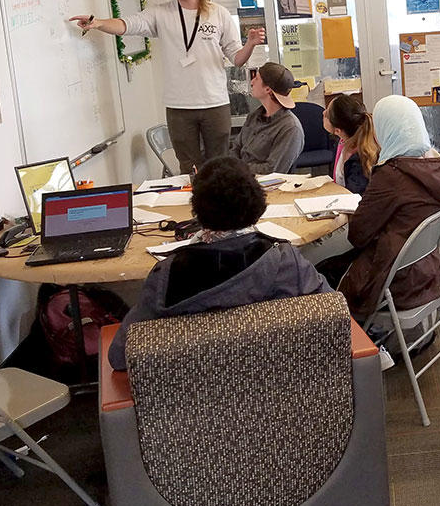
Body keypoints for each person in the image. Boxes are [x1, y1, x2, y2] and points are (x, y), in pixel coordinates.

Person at [108, 158, 331, 370]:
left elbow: (119, 356)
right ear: (257, 201)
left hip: (194, 400)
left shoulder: (166, 276)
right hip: (278, 388)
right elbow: (335, 315)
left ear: (196, 208)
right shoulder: (284, 262)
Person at [71, 0, 265, 174]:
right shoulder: (161, 13)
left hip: (214, 102)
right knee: (189, 168)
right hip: (179, 106)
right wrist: (98, 23)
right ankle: (195, 206)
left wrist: (250, 44)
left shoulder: (217, 13)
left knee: (220, 165)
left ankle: (220, 206)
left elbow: (237, 59)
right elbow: (128, 25)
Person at [336, 95, 440, 322]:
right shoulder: (436, 167)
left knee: (323, 269)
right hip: (426, 273)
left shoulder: (391, 176)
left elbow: (357, 235)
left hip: (392, 281)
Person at [231, 62, 305, 174]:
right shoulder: (254, 116)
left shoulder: (290, 128)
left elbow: (273, 170)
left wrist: (239, 168)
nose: (252, 82)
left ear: (268, 90)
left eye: (256, 79)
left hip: (266, 186)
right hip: (240, 178)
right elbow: (236, 148)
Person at [323, 94, 378, 196]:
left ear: (338, 130)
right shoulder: (340, 142)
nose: (323, 112)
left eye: (326, 114)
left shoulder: (360, 157)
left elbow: (354, 196)